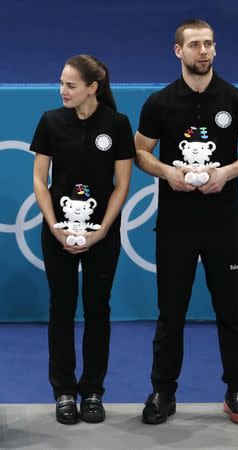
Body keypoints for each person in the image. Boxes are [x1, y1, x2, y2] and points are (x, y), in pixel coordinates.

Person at [135, 19, 238, 425]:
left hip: (223, 224)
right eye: (194, 45)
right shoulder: (158, 103)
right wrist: (166, 172)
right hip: (175, 225)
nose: (203, 51)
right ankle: (162, 391)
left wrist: (226, 172)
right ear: (178, 51)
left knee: (231, 311)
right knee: (170, 313)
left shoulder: (237, 99)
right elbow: (140, 152)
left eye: (209, 43)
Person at [32, 54, 135, 425]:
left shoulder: (118, 125)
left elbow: (122, 184)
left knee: (97, 310)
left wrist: (103, 229)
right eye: (60, 83)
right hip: (57, 232)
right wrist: (55, 226)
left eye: (71, 85)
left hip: (101, 234)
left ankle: (92, 391)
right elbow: (40, 181)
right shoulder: (49, 122)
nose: (62, 91)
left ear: (93, 88)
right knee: (61, 309)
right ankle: (63, 391)